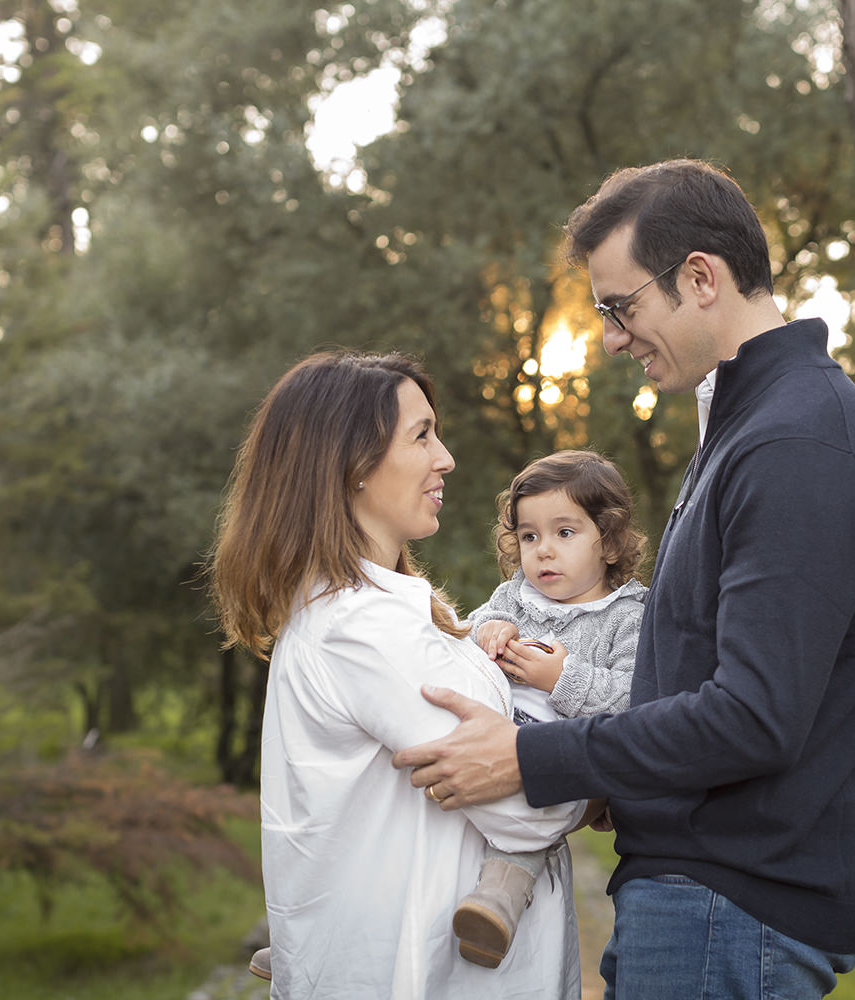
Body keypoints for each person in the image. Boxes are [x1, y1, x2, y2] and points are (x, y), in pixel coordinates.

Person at [392, 159, 855, 1000]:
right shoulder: (747, 431)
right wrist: (612, 774)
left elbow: (754, 718)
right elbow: (691, 678)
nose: (611, 338)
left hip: (731, 906)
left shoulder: (797, 444)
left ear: (700, 278)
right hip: (701, 898)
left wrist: (533, 756)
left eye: (621, 307)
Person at [210, 351, 586, 999]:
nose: (446, 458)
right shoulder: (366, 632)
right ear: (350, 465)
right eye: (421, 435)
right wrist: (600, 772)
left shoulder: (389, 615)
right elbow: (528, 809)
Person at [452, 449, 648, 968]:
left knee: (532, 819)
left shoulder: (628, 615)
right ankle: (328, 929)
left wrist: (562, 679)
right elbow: (462, 638)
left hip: (561, 762)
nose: (543, 552)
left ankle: (498, 902)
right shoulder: (514, 597)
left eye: (564, 533)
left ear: (608, 541)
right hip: (489, 738)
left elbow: (634, 699)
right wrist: (488, 631)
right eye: (529, 536)